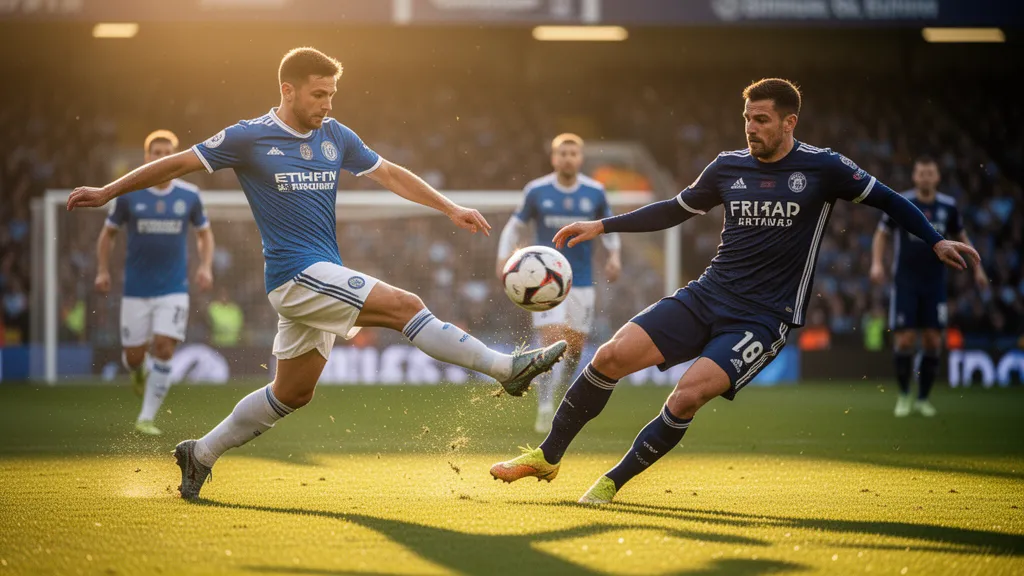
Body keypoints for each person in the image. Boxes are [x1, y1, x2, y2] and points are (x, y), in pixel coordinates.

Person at [67, 47, 566, 500]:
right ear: (287, 89)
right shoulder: (246, 137)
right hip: (294, 274)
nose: (327, 103)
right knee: (405, 306)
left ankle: (199, 454)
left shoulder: (335, 136)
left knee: (292, 393)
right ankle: (508, 369)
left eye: (332, 93)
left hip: (321, 273)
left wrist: (448, 206)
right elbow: (175, 165)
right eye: (318, 94)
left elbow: (389, 172)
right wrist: (109, 192)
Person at [489, 78, 981, 504]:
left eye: (762, 119)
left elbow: (891, 202)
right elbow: (674, 210)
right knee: (610, 356)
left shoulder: (825, 168)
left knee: (686, 396)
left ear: (790, 122)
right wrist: (603, 224)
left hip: (764, 317)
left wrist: (935, 240)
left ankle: (612, 482)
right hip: (707, 295)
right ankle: (547, 457)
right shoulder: (727, 166)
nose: (751, 128)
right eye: (747, 118)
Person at [496, 133, 621, 433]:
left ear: (580, 158)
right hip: (542, 283)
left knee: (574, 349)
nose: (567, 158)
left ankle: (560, 395)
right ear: (554, 158)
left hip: (579, 282)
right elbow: (514, 227)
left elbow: (609, 227)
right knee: (551, 341)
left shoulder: (595, 192)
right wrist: (503, 260)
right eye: (562, 153)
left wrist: (614, 256)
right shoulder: (537, 190)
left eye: (573, 153)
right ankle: (544, 406)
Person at [94, 130, 214, 436]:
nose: (161, 158)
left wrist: (205, 266)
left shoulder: (189, 195)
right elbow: (108, 234)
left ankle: (146, 418)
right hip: (136, 289)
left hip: (174, 288)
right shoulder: (129, 195)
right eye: (156, 153)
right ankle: (137, 371)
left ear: (174, 156)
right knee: (134, 356)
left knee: (163, 347)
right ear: (146, 158)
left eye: (166, 153)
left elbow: (204, 234)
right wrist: (102, 270)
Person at [870, 156, 987, 417]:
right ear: (914, 176)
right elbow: (881, 233)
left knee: (934, 341)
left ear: (937, 177)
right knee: (905, 339)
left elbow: (961, 235)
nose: (925, 177)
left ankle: (923, 398)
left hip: (935, 283)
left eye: (929, 173)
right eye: (920, 173)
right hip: (905, 282)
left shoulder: (949, 207)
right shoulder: (903, 202)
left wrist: (978, 267)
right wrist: (876, 263)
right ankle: (903, 395)